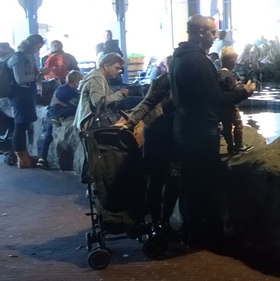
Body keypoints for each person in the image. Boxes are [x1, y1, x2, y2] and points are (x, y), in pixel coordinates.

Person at [170, 15, 255, 248]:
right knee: (202, 183)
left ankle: (190, 230)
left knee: (189, 182)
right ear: (199, 33)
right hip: (199, 131)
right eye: (212, 33)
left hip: (184, 127)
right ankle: (204, 235)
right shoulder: (198, 61)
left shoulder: (178, 59)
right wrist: (244, 92)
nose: (215, 37)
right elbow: (215, 100)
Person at [126, 67, 179, 233]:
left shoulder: (163, 81)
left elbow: (147, 102)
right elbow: (149, 103)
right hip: (165, 134)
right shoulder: (172, 81)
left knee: (163, 180)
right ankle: (161, 221)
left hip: (157, 132)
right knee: (167, 179)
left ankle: (160, 221)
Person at [6, 34, 50, 168]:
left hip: (26, 93)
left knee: (23, 124)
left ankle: (24, 155)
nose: (38, 50)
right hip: (20, 94)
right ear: (31, 45)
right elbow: (20, 79)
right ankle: (22, 158)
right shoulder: (19, 57)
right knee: (20, 125)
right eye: (38, 47)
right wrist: (38, 75)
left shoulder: (27, 56)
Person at [35, 69, 83, 170]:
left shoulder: (70, 90)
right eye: (79, 81)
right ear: (75, 81)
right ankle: (42, 159)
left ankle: (42, 159)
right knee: (48, 137)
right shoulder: (65, 90)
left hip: (54, 113)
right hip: (54, 114)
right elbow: (75, 103)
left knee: (48, 137)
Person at [74, 53, 128, 131]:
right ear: (106, 66)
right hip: (91, 123)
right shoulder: (96, 79)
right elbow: (97, 101)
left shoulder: (100, 77)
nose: (118, 71)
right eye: (116, 68)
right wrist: (119, 95)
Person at [217, 46, 247, 154]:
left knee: (226, 126)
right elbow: (233, 91)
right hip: (231, 106)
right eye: (234, 59)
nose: (235, 62)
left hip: (221, 108)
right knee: (238, 123)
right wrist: (240, 87)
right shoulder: (229, 75)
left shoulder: (217, 74)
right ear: (230, 61)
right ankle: (239, 145)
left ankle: (230, 146)